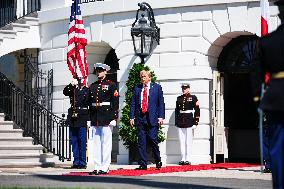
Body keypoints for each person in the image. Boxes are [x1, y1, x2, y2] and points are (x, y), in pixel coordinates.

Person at [251, 0, 284, 187]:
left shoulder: (267, 41)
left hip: (276, 98)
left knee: (278, 147)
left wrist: (258, 98)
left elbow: (256, 73)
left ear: (279, 15)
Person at [130, 70, 165, 170]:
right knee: (141, 141)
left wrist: (161, 117)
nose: (142, 78)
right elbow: (133, 103)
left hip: (152, 118)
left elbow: (161, 103)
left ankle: (158, 160)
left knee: (152, 139)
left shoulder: (157, 87)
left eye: (144, 76)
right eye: (141, 77)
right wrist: (132, 117)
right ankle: (143, 164)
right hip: (141, 117)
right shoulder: (137, 88)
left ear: (149, 77)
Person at [89, 63, 119, 175]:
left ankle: (105, 167)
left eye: (101, 70)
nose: (99, 72)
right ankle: (97, 166)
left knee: (106, 143)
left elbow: (115, 102)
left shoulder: (111, 85)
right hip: (95, 117)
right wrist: (89, 118)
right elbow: (89, 102)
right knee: (96, 143)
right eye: (97, 71)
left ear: (105, 71)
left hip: (106, 117)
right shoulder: (93, 85)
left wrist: (114, 117)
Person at [63, 77, 89, 169]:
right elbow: (65, 92)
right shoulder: (73, 90)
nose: (80, 81)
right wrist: (71, 84)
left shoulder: (87, 90)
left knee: (82, 141)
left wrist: (89, 120)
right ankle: (76, 161)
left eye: (81, 79)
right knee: (74, 140)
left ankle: (82, 162)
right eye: (78, 79)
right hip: (73, 118)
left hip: (82, 117)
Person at [175, 83, 200, 165]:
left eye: (185, 88)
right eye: (183, 88)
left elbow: (197, 110)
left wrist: (196, 122)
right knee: (181, 141)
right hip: (180, 121)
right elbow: (177, 111)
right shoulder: (179, 98)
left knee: (188, 141)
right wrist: (176, 122)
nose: (184, 90)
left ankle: (188, 159)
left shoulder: (193, 98)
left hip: (189, 120)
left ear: (189, 89)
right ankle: (183, 158)